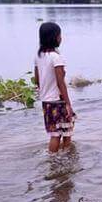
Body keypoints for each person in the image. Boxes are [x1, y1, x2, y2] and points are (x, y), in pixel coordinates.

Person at [33, 22, 75, 153]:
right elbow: (60, 82)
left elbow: (37, 80)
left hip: (46, 102)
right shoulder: (56, 57)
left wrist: (45, 91)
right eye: (59, 35)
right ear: (54, 37)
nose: (61, 38)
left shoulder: (38, 56)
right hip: (58, 101)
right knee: (66, 132)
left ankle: (53, 160)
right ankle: (66, 158)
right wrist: (68, 103)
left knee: (54, 134)